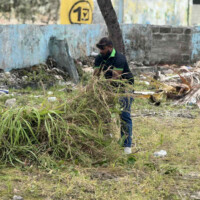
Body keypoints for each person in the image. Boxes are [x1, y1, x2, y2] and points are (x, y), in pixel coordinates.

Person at [93, 37, 134, 154]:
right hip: (109, 88)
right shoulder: (99, 58)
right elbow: (95, 76)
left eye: (103, 48)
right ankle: (107, 139)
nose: (101, 51)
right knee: (104, 113)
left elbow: (115, 79)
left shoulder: (119, 58)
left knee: (124, 116)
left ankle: (126, 146)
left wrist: (103, 89)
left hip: (124, 88)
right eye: (99, 49)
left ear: (110, 47)